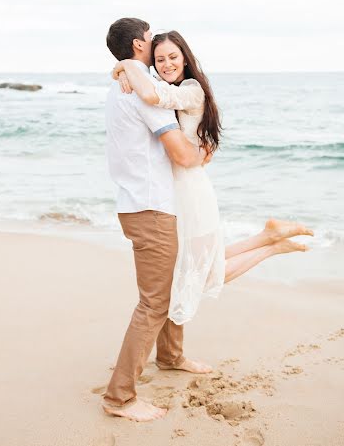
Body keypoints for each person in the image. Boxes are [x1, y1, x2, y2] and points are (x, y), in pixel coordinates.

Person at [112, 30, 314, 326]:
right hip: (175, 185)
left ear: (185, 58)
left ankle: (271, 245)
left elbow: (152, 95)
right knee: (197, 262)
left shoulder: (191, 89)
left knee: (204, 272)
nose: (167, 64)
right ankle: (268, 236)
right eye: (159, 59)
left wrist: (127, 65)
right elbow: (152, 91)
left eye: (173, 57)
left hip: (189, 187)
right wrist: (121, 68)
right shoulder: (163, 83)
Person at [103, 18, 214, 423]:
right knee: (154, 303)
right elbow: (182, 155)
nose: (155, 47)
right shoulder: (141, 95)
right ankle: (120, 397)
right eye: (151, 41)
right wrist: (203, 155)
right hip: (151, 208)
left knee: (164, 287)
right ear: (139, 44)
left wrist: (123, 67)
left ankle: (170, 356)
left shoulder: (122, 86)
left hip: (136, 203)